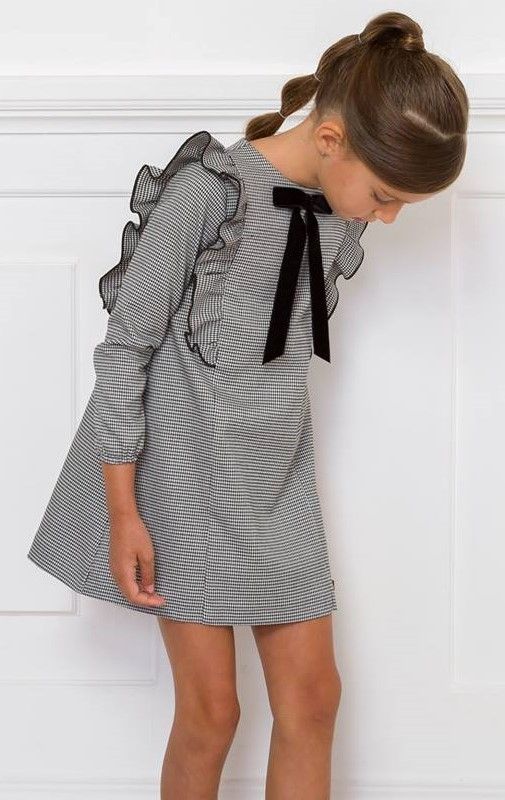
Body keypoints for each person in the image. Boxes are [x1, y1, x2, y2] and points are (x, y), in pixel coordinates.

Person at [26, 10, 468, 799]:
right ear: (330, 138)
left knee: (313, 699)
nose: (387, 217)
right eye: (385, 195)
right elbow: (125, 347)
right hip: (184, 477)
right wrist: (123, 510)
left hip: (275, 473)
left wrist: (363, 199)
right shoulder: (209, 192)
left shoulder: (335, 204)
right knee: (212, 713)